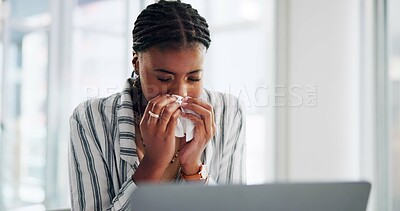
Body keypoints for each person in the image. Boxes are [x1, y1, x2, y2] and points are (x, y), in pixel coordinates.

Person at [68, 0, 246, 210]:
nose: (180, 93)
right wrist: (153, 162)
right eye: (164, 78)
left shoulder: (227, 112)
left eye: (194, 78)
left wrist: (194, 169)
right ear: (136, 62)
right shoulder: (90, 119)